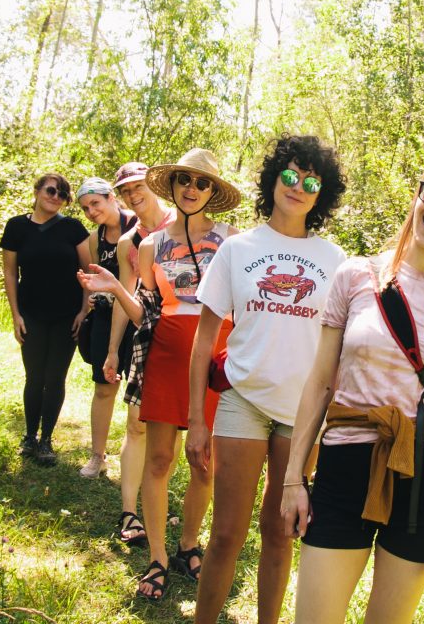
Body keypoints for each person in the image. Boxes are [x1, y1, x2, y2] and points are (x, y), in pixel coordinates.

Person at [280, 158, 424, 624]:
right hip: (345, 465)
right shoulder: (356, 276)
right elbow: (319, 384)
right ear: (417, 196)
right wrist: (294, 477)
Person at [185, 135, 347, 624]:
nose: (299, 187)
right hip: (243, 400)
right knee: (227, 534)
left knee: (279, 535)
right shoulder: (237, 248)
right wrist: (196, 419)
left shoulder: (335, 261)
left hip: (302, 414)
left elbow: (339, 349)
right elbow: (204, 339)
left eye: (312, 181)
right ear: (274, 178)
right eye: (291, 176)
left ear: (322, 194)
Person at [79, 148, 240, 602]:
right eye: (184, 181)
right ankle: (157, 557)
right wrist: (114, 287)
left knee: (204, 462)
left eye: (202, 183)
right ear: (172, 186)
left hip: (216, 352)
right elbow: (145, 313)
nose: (192, 189)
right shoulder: (147, 246)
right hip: (167, 351)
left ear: (213, 191)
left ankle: (189, 543)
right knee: (159, 459)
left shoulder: (232, 240)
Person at [102, 162, 174, 542]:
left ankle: (160, 508)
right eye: (126, 190)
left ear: (154, 185)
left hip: (185, 337)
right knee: (136, 424)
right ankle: (129, 513)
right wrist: (114, 350)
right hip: (146, 337)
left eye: (138, 186)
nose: (133, 194)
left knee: (173, 432)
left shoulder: (184, 224)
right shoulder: (128, 242)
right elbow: (123, 297)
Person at [0, 172, 90, 466]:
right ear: (37, 191)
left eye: (63, 194)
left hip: (67, 316)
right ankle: (29, 436)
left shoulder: (74, 229)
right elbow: (11, 273)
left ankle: (46, 440)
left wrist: (84, 310)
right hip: (31, 314)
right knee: (34, 376)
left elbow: (89, 273)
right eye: (51, 190)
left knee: (55, 377)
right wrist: (16, 315)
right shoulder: (16, 227)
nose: (56, 197)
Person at [75, 177, 139, 479]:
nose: (91, 211)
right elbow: (97, 276)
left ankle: (137, 462)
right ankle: (97, 456)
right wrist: (89, 303)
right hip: (104, 316)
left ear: (111, 198)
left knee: (138, 395)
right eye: (86, 208)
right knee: (104, 386)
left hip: (137, 317)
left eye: (95, 203)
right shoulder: (94, 238)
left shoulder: (138, 226)